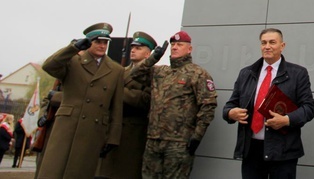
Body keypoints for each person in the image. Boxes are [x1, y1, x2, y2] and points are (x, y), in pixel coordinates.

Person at [223, 28, 314, 179]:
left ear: (282, 45)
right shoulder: (246, 73)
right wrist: (230, 113)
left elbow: (309, 108)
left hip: (283, 150)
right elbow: (229, 106)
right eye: (263, 43)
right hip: (251, 150)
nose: (267, 46)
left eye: (272, 42)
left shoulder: (298, 74)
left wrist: (286, 120)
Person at [38, 23, 125, 179]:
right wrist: (73, 47)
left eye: (105, 42)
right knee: (53, 171)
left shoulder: (116, 70)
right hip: (67, 127)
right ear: (88, 42)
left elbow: (116, 106)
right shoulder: (73, 61)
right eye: (98, 41)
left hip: (93, 131)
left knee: (79, 172)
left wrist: (113, 137)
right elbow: (49, 66)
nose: (102, 45)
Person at [134, 30, 217, 179]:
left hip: (179, 142)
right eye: (173, 44)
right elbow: (136, 74)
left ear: (189, 49)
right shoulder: (160, 72)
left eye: (179, 44)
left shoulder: (197, 74)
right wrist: (154, 58)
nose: (175, 47)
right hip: (154, 139)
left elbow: (208, 105)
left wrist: (197, 136)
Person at [97, 31, 157, 179]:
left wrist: (118, 92)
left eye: (139, 48)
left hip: (133, 130)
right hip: (113, 126)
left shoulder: (152, 73)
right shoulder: (120, 71)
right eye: (133, 47)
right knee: (104, 172)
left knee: (125, 171)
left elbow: (146, 99)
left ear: (148, 54)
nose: (133, 50)